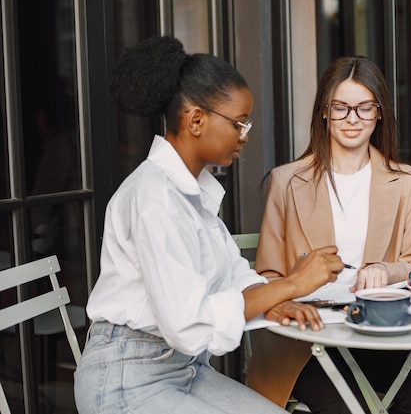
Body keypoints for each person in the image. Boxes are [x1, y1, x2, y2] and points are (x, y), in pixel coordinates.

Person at [73, 36, 345, 414]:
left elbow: (231, 272)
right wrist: (292, 284)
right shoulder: (155, 197)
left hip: (181, 369)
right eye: (239, 123)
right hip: (125, 378)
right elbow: (187, 323)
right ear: (196, 119)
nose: (245, 136)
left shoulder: (191, 192)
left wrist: (275, 300)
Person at [247, 56, 411, 414]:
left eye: (364, 108)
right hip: (304, 338)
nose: (352, 119)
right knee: (346, 405)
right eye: (341, 107)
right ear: (324, 112)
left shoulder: (406, 181)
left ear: (379, 113)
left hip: (375, 333)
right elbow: (268, 277)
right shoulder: (287, 181)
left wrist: (386, 270)